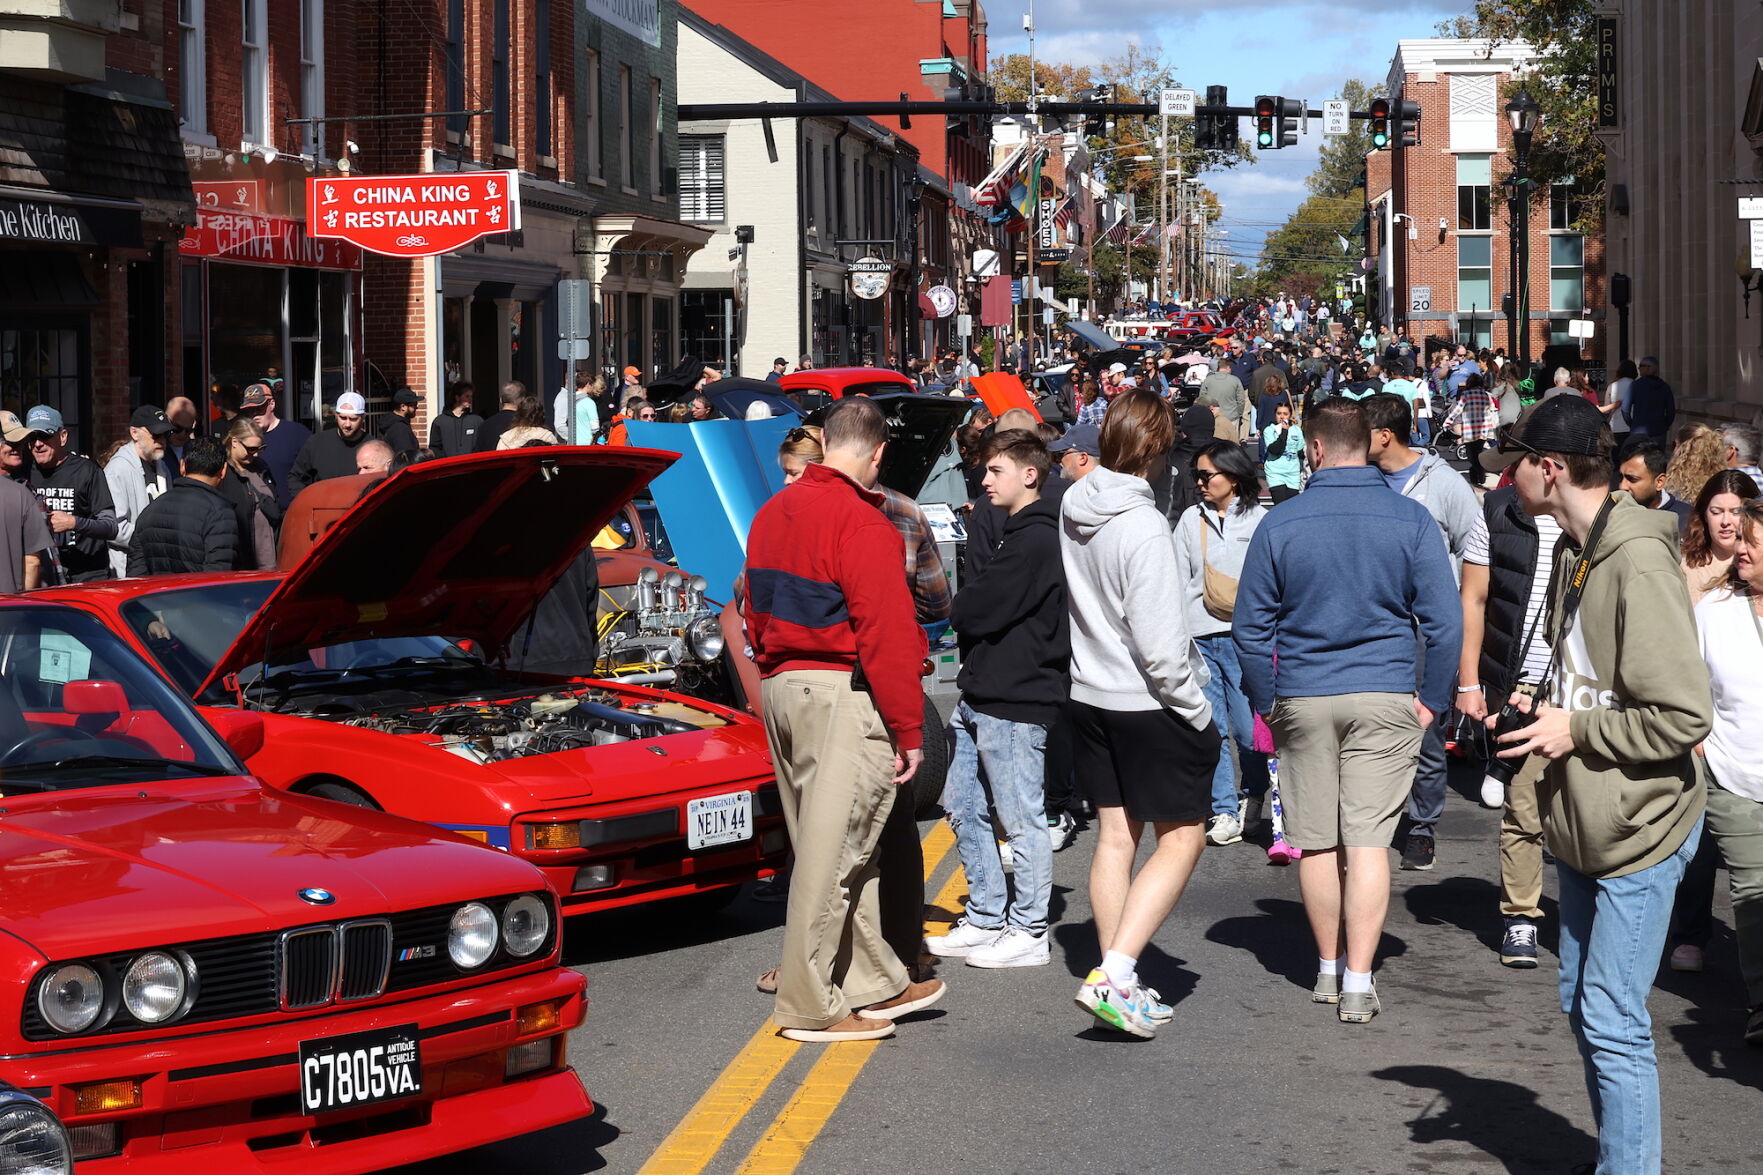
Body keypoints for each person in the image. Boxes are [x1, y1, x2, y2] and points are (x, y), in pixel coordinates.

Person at [1483, 395, 1710, 1175]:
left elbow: (1681, 717)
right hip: (1583, 824)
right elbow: (1593, 680)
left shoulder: (1637, 559)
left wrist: (1573, 729)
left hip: (1639, 831)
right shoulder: (1577, 549)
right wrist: (1541, 704)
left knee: (1613, 1018)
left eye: (1512, 463)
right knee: (1583, 1005)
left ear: (1548, 470)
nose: (1503, 478)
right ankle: (1621, 1154)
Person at [1233, 397, 1461, 1023]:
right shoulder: (1411, 520)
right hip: (1385, 692)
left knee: (1314, 842)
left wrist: (1265, 702)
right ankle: (1360, 979)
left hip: (1303, 693)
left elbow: (1250, 630)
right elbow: (1444, 622)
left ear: (1313, 450)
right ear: (1367, 444)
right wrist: (1431, 701)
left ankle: (1328, 968)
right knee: (1367, 843)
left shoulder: (1280, 524)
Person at [742, 396, 941, 1043]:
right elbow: (884, 633)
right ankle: (810, 1004)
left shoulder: (773, 511)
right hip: (837, 689)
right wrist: (908, 730)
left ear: (824, 442)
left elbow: (750, 607)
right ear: (877, 452)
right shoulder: (864, 522)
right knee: (838, 856)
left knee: (831, 847)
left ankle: (872, 982)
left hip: (781, 683)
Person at [1061, 389, 1218, 1039]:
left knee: (1115, 835)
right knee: (1182, 837)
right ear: (1155, 449)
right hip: (1146, 699)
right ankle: (1115, 972)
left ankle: (1115, 973)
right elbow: (1160, 648)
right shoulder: (1144, 524)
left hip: (1089, 689)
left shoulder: (1074, 501)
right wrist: (1198, 709)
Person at [926, 429, 1068, 969]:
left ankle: (1030, 929)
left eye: (996, 471)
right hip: (980, 692)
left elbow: (974, 609)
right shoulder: (1015, 530)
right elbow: (975, 605)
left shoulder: (1035, 537)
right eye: (985, 471)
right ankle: (986, 915)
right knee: (962, 805)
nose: (984, 479)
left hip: (1015, 698)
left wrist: (965, 608)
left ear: (1029, 475)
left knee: (1020, 815)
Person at [1364, 392, 1481, 872]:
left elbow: (1473, 545)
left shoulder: (1444, 483)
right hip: (1372, 620)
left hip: (1423, 626)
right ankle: (1375, 818)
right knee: (1372, 725)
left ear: (1385, 435)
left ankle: (1422, 825)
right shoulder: (1362, 479)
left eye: (1361, 433)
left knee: (1424, 726)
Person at [1691, 497, 1763, 1046]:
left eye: (1752, 542)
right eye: (1739, 537)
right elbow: (1689, 685)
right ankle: (1761, 1002)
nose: (1739, 549)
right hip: (1734, 772)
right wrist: (1698, 747)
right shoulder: (1713, 609)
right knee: (1753, 889)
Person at [1174, 440, 1270, 847]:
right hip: (1199, 638)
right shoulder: (1188, 520)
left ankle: (1254, 791)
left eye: (1206, 475)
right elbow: (1177, 582)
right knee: (1210, 730)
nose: (1198, 482)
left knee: (1249, 732)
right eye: (1196, 475)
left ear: (1233, 475)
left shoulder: (1262, 520)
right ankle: (1224, 811)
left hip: (1245, 639)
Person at [23, 405, 117, 583]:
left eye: (45, 435)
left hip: (88, 575)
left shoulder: (87, 471)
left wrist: (73, 522)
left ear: (63, 437)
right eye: (32, 437)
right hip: (44, 577)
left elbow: (110, 527)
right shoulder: (25, 473)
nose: (37, 444)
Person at [126, 436, 240, 576]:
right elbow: (218, 577)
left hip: (154, 596)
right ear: (223, 470)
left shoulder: (150, 511)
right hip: (196, 597)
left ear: (182, 466)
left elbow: (136, 576)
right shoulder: (220, 513)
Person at [103, 406, 174, 578]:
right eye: (155, 435)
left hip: (159, 567)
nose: (161, 440)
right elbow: (114, 528)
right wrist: (155, 538)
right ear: (134, 433)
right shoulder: (117, 469)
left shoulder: (162, 468)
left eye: (165, 435)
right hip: (128, 572)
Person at [1680, 469, 1761, 608]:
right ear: (1704, 514)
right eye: (1716, 512)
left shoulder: (1757, 567)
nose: (1725, 521)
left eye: (1736, 512)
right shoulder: (1683, 565)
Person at [219, 417, 281, 570]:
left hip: (270, 557)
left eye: (260, 449)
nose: (256, 455)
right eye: (251, 449)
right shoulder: (222, 472)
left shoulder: (261, 468)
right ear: (234, 442)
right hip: (242, 562)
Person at [237, 382, 311, 507]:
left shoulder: (297, 434)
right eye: (250, 410)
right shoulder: (241, 438)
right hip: (257, 516)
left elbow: (313, 473)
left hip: (291, 511)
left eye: (259, 408)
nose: (255, 414)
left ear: (271, 404)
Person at [287, 392, 373, 494]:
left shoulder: (373, 447)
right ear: (336, 415)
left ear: (363, 418)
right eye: (343, 418)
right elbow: (295, 478)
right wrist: (310, 502)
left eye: (353, 419)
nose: (347, 424)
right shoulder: (316, 443)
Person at [0, 448, 50, 591]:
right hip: (8, 605)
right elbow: (32, 561)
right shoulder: (20, 493)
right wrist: (24, 602)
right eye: (9, 443)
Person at [1617, 440, 1693, 533]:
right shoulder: (1612, 512)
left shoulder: (1687, 518)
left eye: (1632, 479)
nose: (1622, 486)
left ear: (1659, 482)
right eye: (1621, 478)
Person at [1441, 373, 1500, 482]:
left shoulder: (1466, 394)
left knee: (1471, 453)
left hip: (1471, 429)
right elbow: (1492, 409)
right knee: (1478, 451)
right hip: (1484, 429)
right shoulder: (1486, 395)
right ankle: (1478, 473)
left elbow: (1457, 410)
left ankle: (1478, 473)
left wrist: (1447, 422)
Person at [1623, 355, 1676, 440]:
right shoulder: (1665, 387)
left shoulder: (1635, 386)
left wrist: (1632, 424)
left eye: (1640, 366)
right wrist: (1664, 425)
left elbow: (1625, 409)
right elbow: (1671, 411)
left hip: (1639, 431)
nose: (1639, 369)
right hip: (1659, 431)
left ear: (1648, 368)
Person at [1262, 400, 1304, 504]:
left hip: (1292, 473)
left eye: (1285, 414)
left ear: (1290, 415)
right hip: (1276, 473)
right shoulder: (1269, 430)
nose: (1282, 417)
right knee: (1280, 505)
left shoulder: (1296, 430)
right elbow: (1274, 450)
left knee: (1291, 507)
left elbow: (1301, 451)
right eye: (1279, 413)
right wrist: (1284, 432)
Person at [428, 381, 482, 457]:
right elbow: (435, 448)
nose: (470, 399)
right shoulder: (440, 422)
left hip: (471, 466)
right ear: (457, 397)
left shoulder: (477, 421)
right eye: (467, 396)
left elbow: (481, 445)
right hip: (448, 467)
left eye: (471, 396)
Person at [553, 372, 602, 443]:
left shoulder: (569, 399)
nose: (593, 388)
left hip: (572, 444)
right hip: (586, 443)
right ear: (588, 385)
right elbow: (595, 427)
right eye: (592, 385)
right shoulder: (589, 403)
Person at [497, 396, 562, 449]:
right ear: (541, 416)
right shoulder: (547, 436)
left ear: (518, 414)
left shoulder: (506, 438)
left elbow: (500, 463)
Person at [378, 388, 421, 458]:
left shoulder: (394, 424)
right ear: (403, 407)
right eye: (413, 404)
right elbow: (406, 457)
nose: (417, 407)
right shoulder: (400, 428)